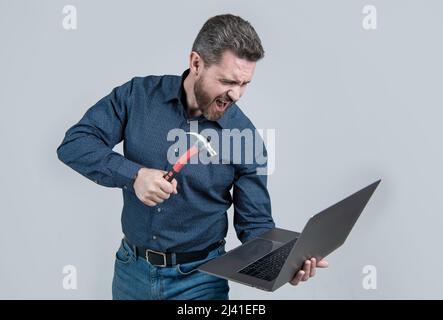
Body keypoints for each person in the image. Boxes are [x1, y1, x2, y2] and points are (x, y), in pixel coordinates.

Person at [57, 13, 328, 300]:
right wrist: (134, 175)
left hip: (200, 282)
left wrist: (284, 261)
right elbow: (75, 144)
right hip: (130, 272)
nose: (236, 94)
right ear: (196, 63)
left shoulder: (245, 138)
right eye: (227, 81)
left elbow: (255, 226)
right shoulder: (138, 95)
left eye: (245, 84)